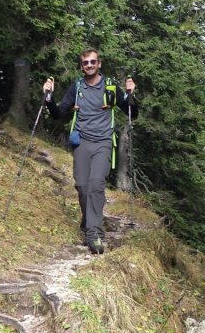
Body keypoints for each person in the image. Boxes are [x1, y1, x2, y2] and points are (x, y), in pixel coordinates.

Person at [44, 48, 138, 254]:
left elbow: (132, 112)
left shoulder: (111, 86)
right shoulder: (77, 88)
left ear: (99, 63)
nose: (89, 65)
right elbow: (59, 114)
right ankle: (89, 222)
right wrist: (49, 99)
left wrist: (131, 95)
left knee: (96, 184)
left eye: (93, 62)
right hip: (82, 142)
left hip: (104, 142)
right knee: (82, 186)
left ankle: (93, 233)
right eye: (85, 63)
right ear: (81, 66)